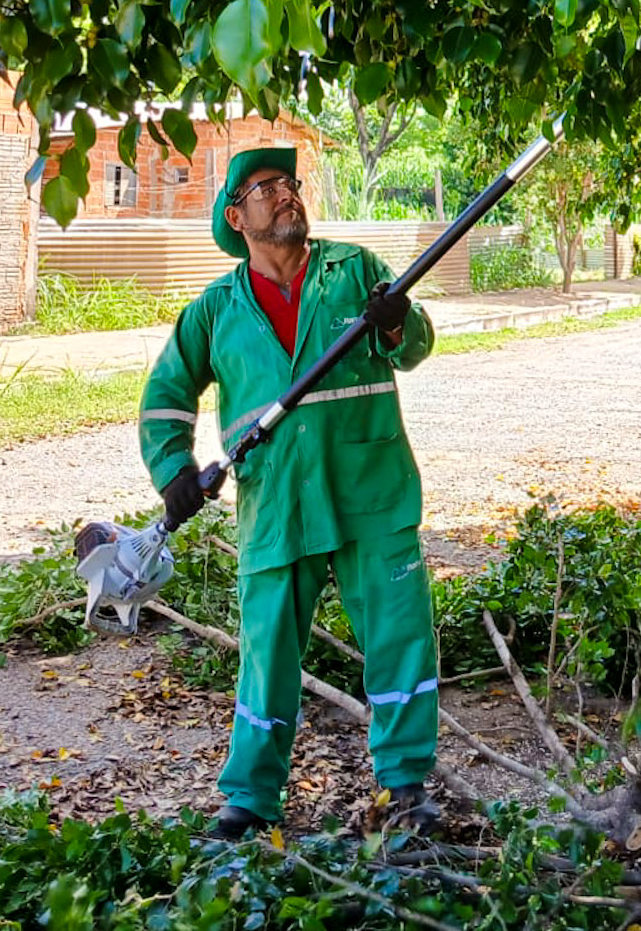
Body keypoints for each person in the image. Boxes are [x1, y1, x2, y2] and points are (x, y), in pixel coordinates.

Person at [138, 146, 442, 839]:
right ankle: (250, 799)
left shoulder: (353, 270)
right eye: (264, 188)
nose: (285, 195)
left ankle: (406, 788)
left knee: (400, 639)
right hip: (275, 503)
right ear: (235, 215)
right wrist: (173, 472)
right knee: (268, 651)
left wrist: (394, 321)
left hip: (372, 491)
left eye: (289, 184)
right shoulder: (215, 311)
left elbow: (414, 344)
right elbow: (164, 398)